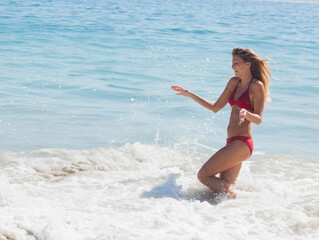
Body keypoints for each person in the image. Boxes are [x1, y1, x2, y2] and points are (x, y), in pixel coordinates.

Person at [171, 47, 271, 198]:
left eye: (236, 63)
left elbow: (258, 119)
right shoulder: (234, 82)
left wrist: (246, 113)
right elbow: (215, 107)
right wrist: (189, 94)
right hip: (231, 142)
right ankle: (242, 207)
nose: (232, 67)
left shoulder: (257, 86)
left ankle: (241, 199)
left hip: (242, 144)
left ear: (248, 64)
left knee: (203, 176)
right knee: (221, 191)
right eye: (232, 63)